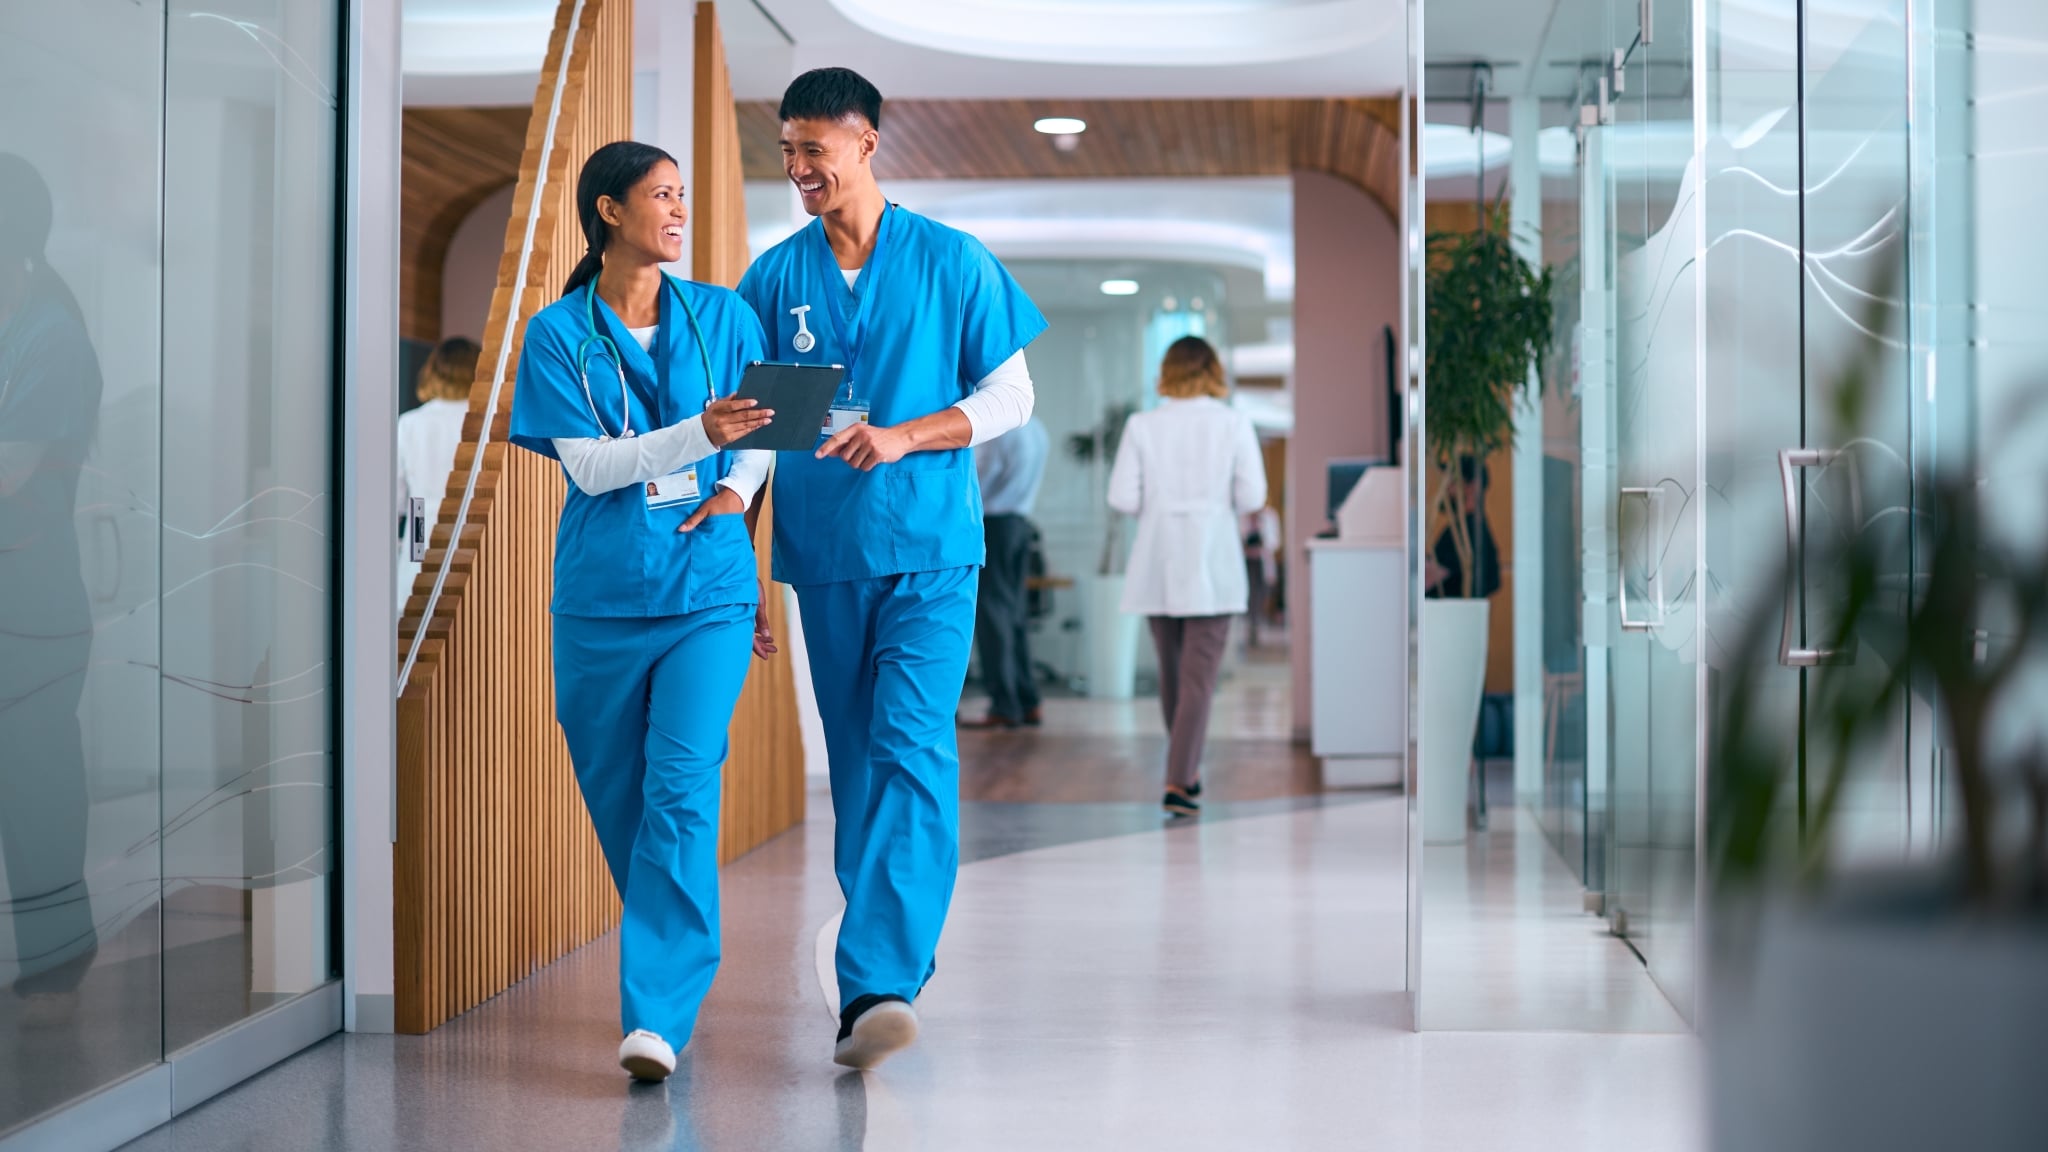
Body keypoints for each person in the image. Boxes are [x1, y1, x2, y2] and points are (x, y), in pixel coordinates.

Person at [737, 67, 1045, 1070]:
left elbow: (1010, 396)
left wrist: (907, 435)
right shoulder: (777, 278)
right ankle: (890, 959)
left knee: (913, 744)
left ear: (865, 144)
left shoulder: (951, 262)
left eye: (813, 152)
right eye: (786, 152)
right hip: (824, 557)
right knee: (860, 764)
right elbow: (754, 437)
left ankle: (872, 979)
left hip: (929, 550)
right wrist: (739, 550)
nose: (796, 170)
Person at [506, 140, 780, 1083]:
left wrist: (737, 493)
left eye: (681, 195)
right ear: (609, 211)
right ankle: (673, 941)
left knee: (679, 791)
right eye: (660, 196)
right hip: (604, 599)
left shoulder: (724, 314)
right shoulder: (558, 332)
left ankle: (656, 1014)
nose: (678, 210)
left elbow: (765, 436)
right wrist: (697, 434)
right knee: (623, 800)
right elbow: (591, 467)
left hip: (708, 588)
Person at [0, 153, 103, 1002]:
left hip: (30, 610)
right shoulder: (21, 318)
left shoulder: (50, 335)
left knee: (35, 791)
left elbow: (9, 470)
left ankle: (56, 968)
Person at [1107, 336, 1267, 818]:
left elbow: (1122, 498)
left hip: (1158, 557)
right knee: (1198, 679)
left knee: (1174, 676)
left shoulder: (1142, 425)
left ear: (1167, 372)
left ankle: (1186, 772)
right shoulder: (1235, 424)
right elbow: (1253, 496)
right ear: (1213, 370)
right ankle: (1179, 778)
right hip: (1212, 559)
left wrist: (1160, 508)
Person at [963, 415, 1049, 729]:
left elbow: (984, 471)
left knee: (992, 613)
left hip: (994, 525)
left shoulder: (998, 426)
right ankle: (1027, 700)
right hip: (1020, 524)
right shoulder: (1036, 427)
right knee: (1012, 614)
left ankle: (1004, 703)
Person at [395, 336, 480, 611]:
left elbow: (393, 504)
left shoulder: (410, 424)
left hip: (420, 546)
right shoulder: (487, 426)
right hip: (476, 552)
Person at [1426, 457, 1500, 599]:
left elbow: (1429, 578)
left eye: (1453, 481)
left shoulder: (1469, 534)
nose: (1447, 488)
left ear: (1473, 486)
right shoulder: (1468, 530)